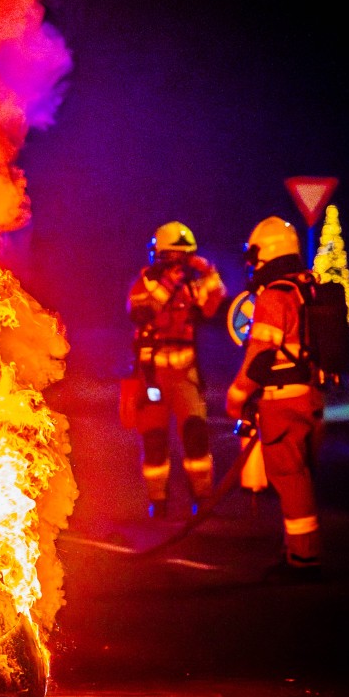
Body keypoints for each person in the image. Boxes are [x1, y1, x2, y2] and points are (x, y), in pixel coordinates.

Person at [225, 216, 325, 581]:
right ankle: (298, 551)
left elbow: (261, 355)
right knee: (301, 476)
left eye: (254, 255)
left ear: (268, 252)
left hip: (283, 401)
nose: (252, 263)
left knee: (289, 477)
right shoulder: (304, 288)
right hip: (309, 396)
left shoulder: (273, 296)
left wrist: (236, 396)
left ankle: (303, 560)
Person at [126, 220, 227, 517]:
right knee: (154, 438)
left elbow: (214, 302)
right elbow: (142, 312)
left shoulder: (189, 287)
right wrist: (168, 282)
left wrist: (208, 271)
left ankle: (202, 496)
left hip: (184, 374)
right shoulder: (143, 284)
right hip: (151, 375)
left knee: (196, 433)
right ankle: (158, 500)